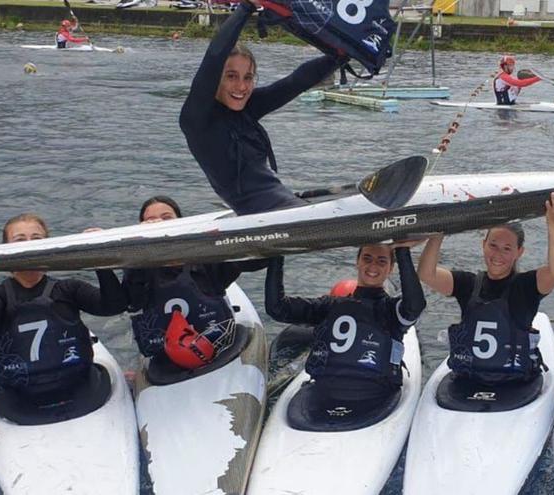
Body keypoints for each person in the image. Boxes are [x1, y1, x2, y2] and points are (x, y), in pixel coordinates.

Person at [179, 0, 342, 215]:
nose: (241, 86)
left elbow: (295, 82)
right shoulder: (197, 118)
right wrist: (247, 7)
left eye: (248, 77)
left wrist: (341, 56)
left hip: (283, 201)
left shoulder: (248, 108)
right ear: (214, 80)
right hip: (261, 213)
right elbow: (213, 57)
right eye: (231, 76)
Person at [0, 213, 126, 422]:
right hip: (20, 400)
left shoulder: (68, 289)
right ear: (4, 249)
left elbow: (113, 306)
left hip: (81, 389)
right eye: (20, 240)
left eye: (37, 239)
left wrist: (100, 261)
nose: (29, 246)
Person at [417, 190, 554, 385]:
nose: (498, 254)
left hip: (514, 381)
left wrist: (553, 222)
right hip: (470, 378)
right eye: (493, 245)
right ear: (483, 245)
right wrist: (439, 231)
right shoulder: (467, 284)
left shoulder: (526, 287)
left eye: (507, 248)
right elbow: (427, 273)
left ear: (520, 252)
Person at [264, 242, 425, 423]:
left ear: (391, 269)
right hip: (324, 393)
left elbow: (415, 306)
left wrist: (402, 251)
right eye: (367, 258)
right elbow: (277, 308)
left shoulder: (392, 310)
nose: (373, 266)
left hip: (375, 395)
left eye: (381, 261)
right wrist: (276, 255)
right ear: (357, 262)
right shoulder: (329, 306)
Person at [123, 196, 267, 369]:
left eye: (167, 217)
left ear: (180, 221)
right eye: (150, 221)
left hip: (219, 349)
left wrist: (235, 234)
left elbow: (255, 262)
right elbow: (131, 301)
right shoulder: (140, 270)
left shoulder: (206, 260)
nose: (159, 223)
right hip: (167, 355)